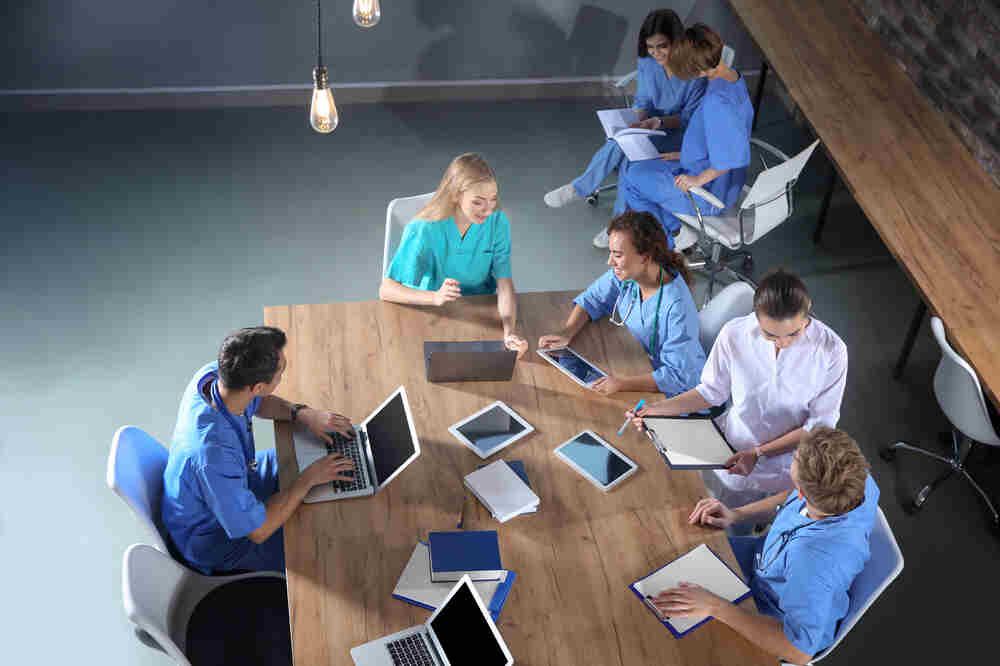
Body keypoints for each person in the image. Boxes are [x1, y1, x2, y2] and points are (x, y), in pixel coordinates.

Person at [651, 427, 880, 664]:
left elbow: (799, 652)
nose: (793, 456)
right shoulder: (857, 480)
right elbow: (794, 494)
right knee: (673, 554)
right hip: (762, 562)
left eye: (795, 459)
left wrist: (715, 607)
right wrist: (736, 514)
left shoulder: (814, 563)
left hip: (771, 610)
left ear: (804, 494)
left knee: (673, 642)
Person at [628, 269, 848, 510]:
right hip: (728, 445)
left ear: (807, 315)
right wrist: (658, 409)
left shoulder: (832, 350)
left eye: (794, 333)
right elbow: (711, 391)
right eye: (770, 334)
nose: (783, 343)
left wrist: (758, 453)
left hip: (785, 466)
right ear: (756, 317)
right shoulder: (735, 333)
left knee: (749, 519)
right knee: (709, 504)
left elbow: (819, 426)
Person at [162, 326, 356, 574]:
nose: (282, 378)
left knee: (311, 457)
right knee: (322, 542)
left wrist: (302, 414)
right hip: (216, 539)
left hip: (234, 480)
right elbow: (259, 530)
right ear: (258, 386)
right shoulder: (212, 458)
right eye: (280, 374)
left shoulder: (216, 376)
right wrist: (307, 480)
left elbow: (258, 402)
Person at [543, 8, 707, 249]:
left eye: (662, 46)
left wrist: (658, 122)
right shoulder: (648, 62)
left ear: (677, 40)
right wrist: (636, 120)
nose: (655, 53)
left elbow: (689, 119)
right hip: (650, 126)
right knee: (620, 140)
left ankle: (604, 214)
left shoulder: (694, 72)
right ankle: (599, 206)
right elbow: (643, 100)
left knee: (632, 161)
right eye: (650, 47)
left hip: (678, 136)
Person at [539, 210, 705, 396]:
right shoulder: (629, 274)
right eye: (611, 253)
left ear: (645, 257)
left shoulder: (676, 306)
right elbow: (592, 298)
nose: (610, 262)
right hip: (634, 364)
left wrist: (622, 384)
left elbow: (679, 376)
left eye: (617, 255)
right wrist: (567, 332)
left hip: (670, 393)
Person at [620, 23, 753, 247]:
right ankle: (673, 229)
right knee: (641, 168)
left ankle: (675, 233)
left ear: (695, 69)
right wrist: (684, 154)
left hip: (711, 192)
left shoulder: (716, 102)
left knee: (632, 180)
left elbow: (730, 157)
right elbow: (730, 136)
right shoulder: (733, 78)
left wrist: (696, 180)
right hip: (724, 178)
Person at [380, 153, 527, 353]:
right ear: (456, 195)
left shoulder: (497, 222)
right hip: (433, 313)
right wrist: (435, 297)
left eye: (492, 200)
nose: (488, 210)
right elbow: (386, 290)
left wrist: (509, 331)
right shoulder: (424, 229)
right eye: (478, 202)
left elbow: (504, 283)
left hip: (479, 312)